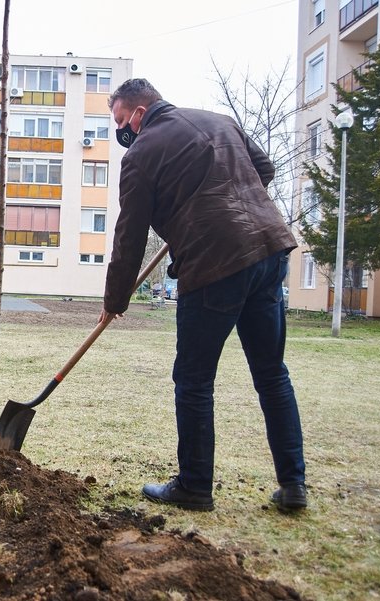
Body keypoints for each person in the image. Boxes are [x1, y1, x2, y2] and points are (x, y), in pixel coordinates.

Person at [100, 79, 307, 512]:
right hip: (268, 251)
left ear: (139, 113)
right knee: (272, 374)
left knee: (193, 381)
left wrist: (114, 300)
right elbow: (264, 170)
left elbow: (130, 235)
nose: (122, 133)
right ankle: (293, 486)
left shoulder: (141, 154)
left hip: (215, 266)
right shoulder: (219, 121)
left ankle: (194, 487)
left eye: (121, 122)